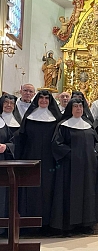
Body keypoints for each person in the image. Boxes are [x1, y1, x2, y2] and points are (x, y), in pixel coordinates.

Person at [50, 98, 98, 236]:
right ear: (70, 109)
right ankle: (68, 226)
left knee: (88, 194)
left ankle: (86, 225)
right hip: (69, 168)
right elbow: (57, 145)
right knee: (69, 195)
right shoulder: (63, 125)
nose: (78, 108)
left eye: (81, 106)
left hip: (88, 167)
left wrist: (94, 152)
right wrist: (73, 154)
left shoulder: (88, 125)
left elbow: (97, 142)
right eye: (75, 106)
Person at [15, 90, 61, 233]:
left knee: (49, 190)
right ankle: (29, 225)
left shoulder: (56, 119)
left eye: (47, 98)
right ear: (37, 100)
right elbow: (21, 139)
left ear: (50, 101)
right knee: (31, 190)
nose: (44, 101)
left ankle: (48, 224)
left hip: (50, 161)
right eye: (41, 98)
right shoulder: (29, 118)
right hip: (31, 158)